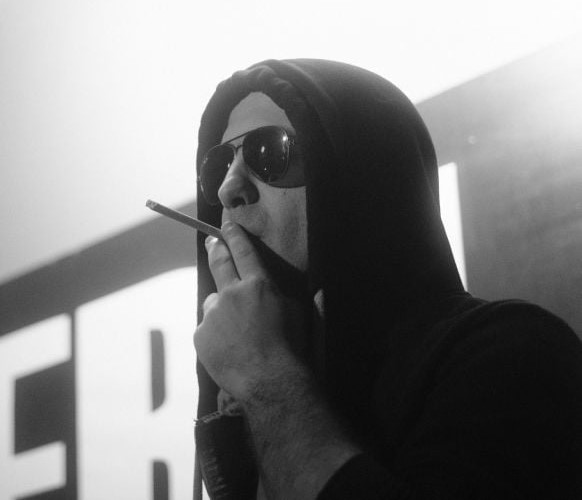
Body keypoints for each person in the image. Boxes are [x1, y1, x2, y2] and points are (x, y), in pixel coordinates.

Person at [191, 59, 582, 499]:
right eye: (218, 165)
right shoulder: (257, 404)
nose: (228, 188)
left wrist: (266, 379)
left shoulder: (514, 352)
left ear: (360, 177)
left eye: (268, 151)